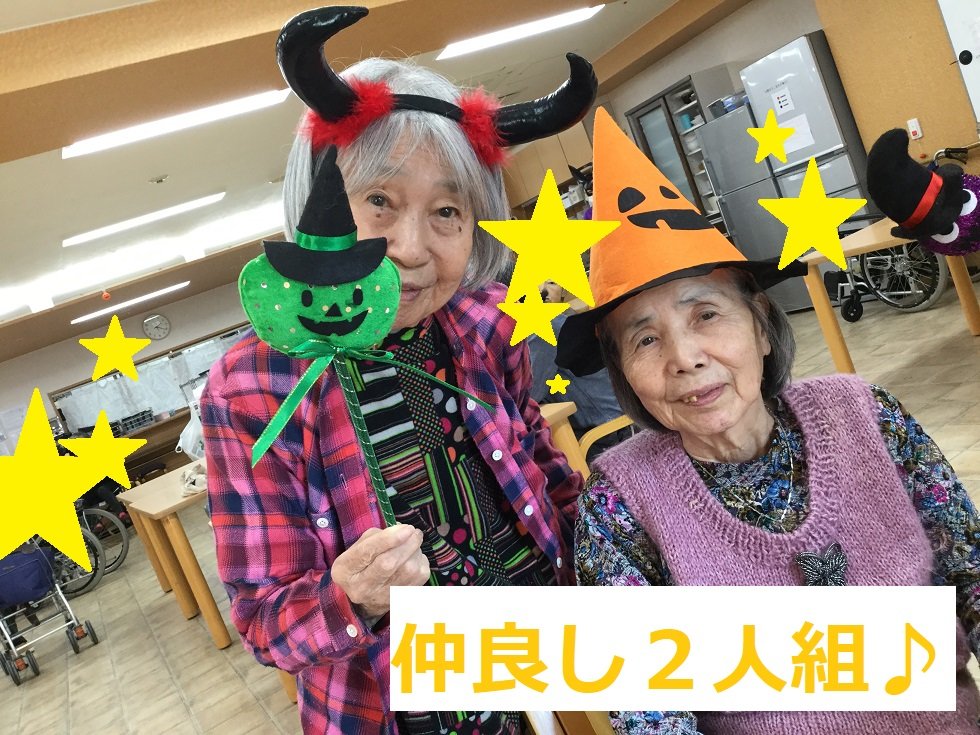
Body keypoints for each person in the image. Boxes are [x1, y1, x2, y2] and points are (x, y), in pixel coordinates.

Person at [201, 7, 593, 734]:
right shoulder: (251, 385)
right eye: (379, 200)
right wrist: (352, 595)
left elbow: (544, 464)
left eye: (447, 211)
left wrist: (602, 549)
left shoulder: (485, 321)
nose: (411, 248)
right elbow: (263, 624)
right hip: (395, 707)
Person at [556, 108, 980, 734]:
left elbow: (971, 570)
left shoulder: (864, 412)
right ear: (624, 375)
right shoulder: (620, 501)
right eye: (645, 340)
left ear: (760, 327)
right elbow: (646, 705)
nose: (685, 358)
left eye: (706, 315)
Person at [527, 307, 631, 463]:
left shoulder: (541, 329)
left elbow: (526, 396)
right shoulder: (555, 316)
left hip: (609, 433)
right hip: (612, 423)